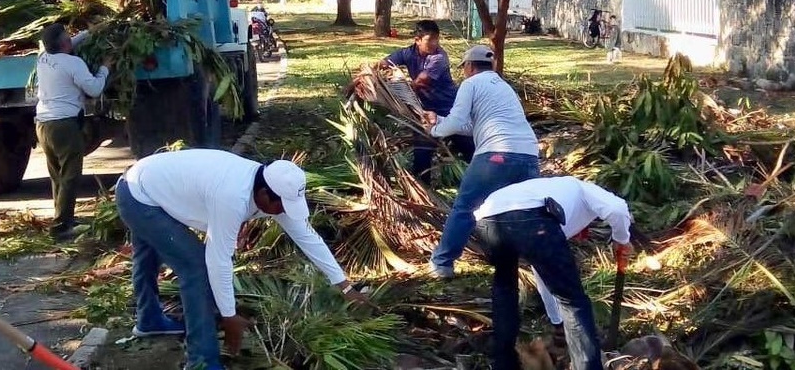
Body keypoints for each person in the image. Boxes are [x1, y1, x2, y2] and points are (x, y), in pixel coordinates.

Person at [116, 149, 368, 370]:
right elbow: (218, 260)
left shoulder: (272, 188)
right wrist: (230, 315)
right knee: (196, 268)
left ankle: (149, 320)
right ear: (263, 195)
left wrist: (344, 285)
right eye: (281, 206)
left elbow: (307, 236)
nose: (283, 213)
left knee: (148, 254)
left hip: (149, 182)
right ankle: (201, 361)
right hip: (139, 196)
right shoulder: (232, 197)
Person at [472, 176, 633, 370]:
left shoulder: (551, 190)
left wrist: (557, 321)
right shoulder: (583, 188)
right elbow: (618, 209)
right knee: (574, 302)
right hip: (530, 217)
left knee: (505, 290)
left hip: (486, 221)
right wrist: (622, 240)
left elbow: (544, 275)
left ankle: (505, 364)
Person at [423, 44, 540, 278]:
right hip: (528, 155)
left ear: (469, 66)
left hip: (497, 154)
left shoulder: (471, 84)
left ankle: (442, 263)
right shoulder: (505, 88)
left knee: (465, 207)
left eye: (464, 68)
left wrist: (434, 130)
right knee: (522, 211)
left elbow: (456, 124)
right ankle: (534, 262)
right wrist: (440, 121)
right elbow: (472, 126)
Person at [35, 23, 110, 239]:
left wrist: (88, 33)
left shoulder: (42, 57)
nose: (71, 39)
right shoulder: (73, 63)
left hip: (43, 124)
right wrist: (105, 68)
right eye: (69, 38)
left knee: (56, 174)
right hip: (64, 126)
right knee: (70, 175)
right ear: (64, 44)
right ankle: (61, 227)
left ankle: (62, 217)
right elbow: (95, 89)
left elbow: (69, 43)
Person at [378, 20, 475, 183]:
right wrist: (378, 75)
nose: (435, 43)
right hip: (425, 109)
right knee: (422, 150)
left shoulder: (439, 57)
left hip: (449, 108)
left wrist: (398, 89)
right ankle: (424, 187)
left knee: (467, 146)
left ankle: (481, 178)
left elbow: (421, 82)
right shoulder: (407, 53)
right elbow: (383, 63)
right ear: (417, 40)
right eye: (430, 39)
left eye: (437, 39)